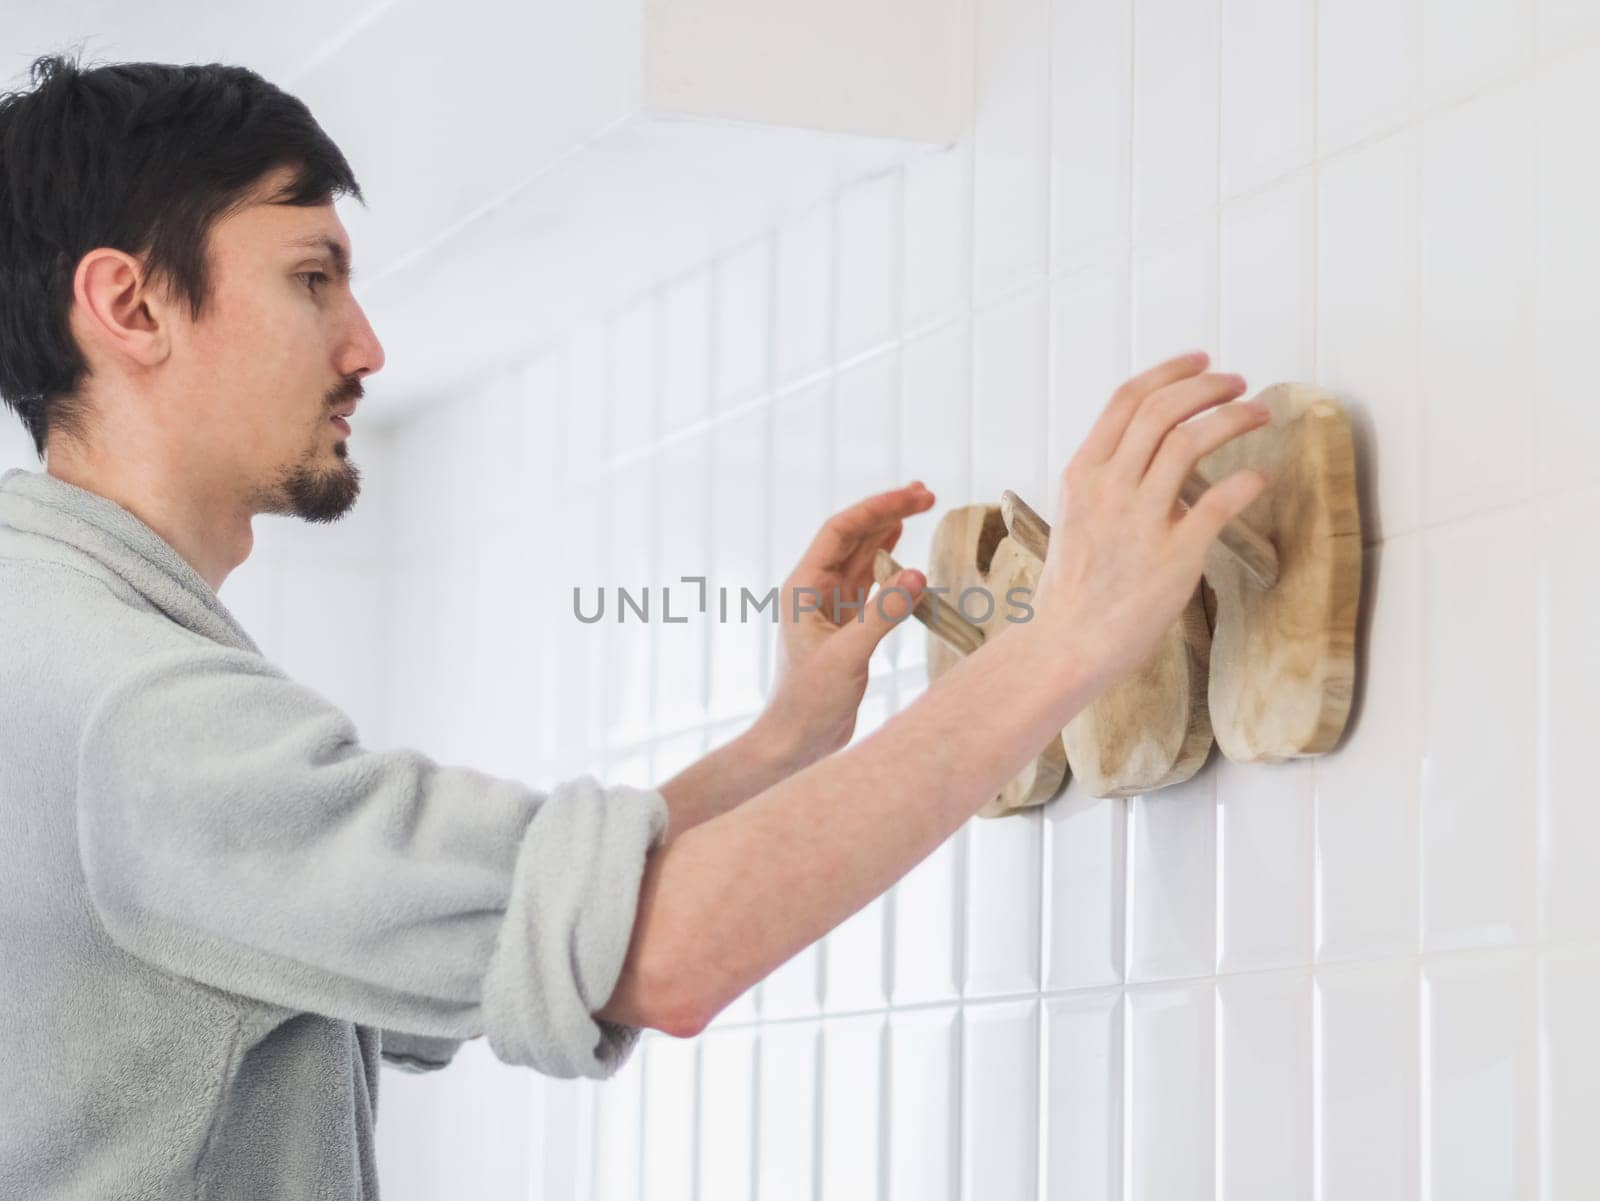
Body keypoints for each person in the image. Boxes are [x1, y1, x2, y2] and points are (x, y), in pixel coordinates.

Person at [0, 52, 1268, 1201]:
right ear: (130, 306)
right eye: (311, 278)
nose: (366, 344)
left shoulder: (59, 649)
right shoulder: (134, 709)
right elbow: (658, 953)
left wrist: (783, 743)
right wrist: (1067, 641)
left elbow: (505, 932)